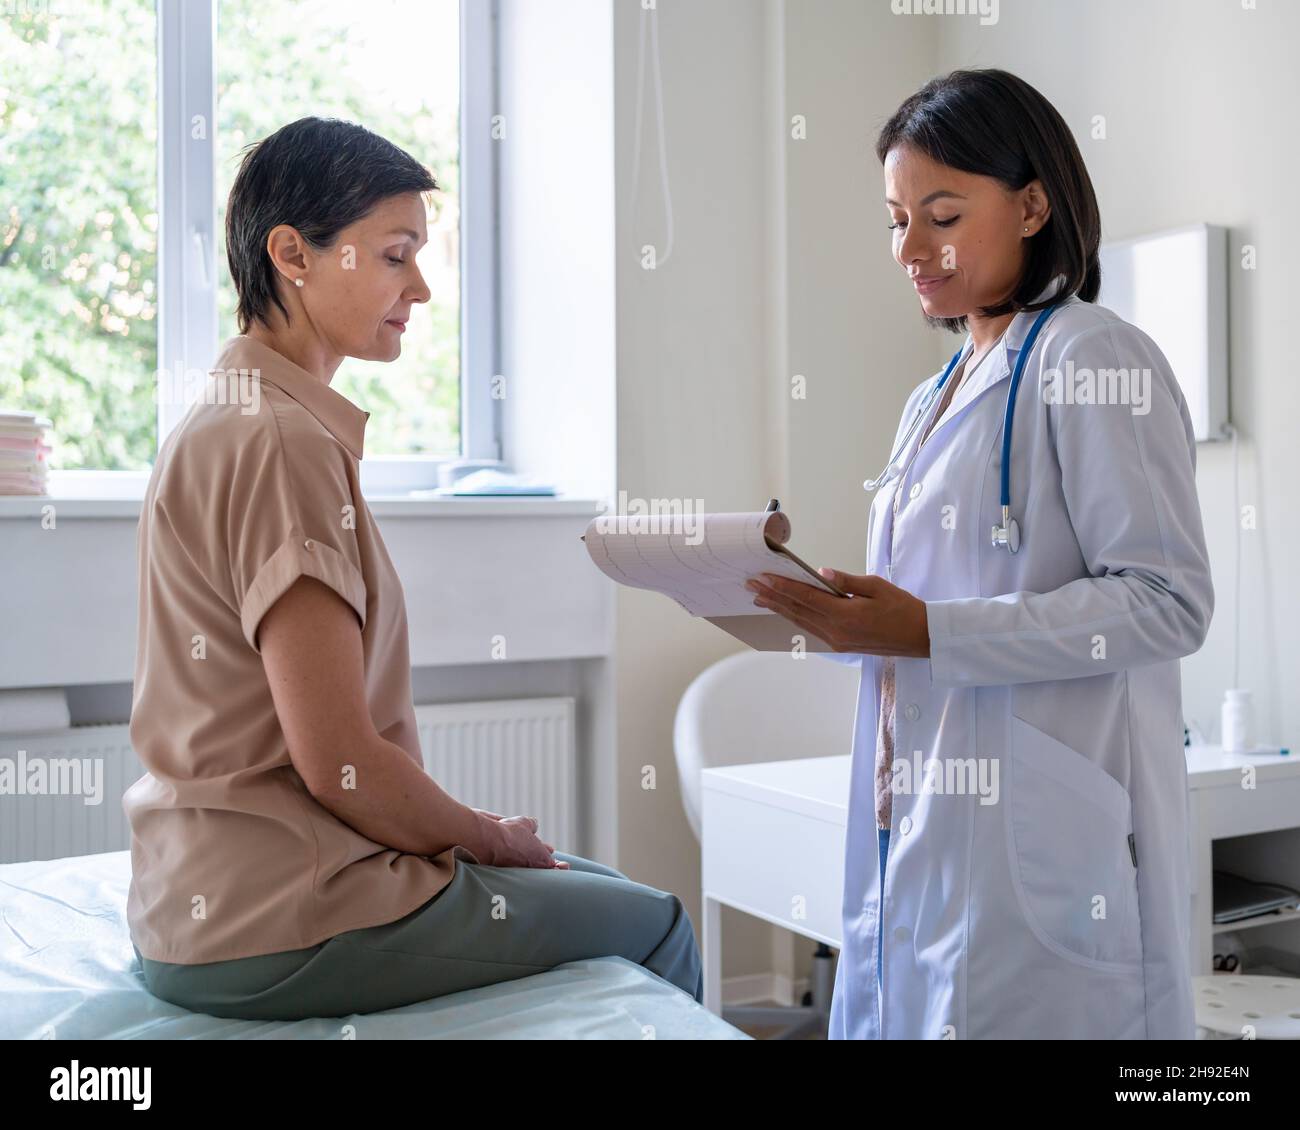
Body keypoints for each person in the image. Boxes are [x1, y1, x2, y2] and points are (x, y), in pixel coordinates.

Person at [123, 117, 701, 1021]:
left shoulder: (232, 414)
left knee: (584, 880)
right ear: (293, 254)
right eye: (395, 255)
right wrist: (482, 836)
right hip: (279, 915)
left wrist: (474, 844)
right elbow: (340, 765)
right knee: (658, 924)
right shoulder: (281, 444)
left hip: (200, 902)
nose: (422, 287)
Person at [744, 69, 1213, 1039]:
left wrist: (929, 630)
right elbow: (934, 608)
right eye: (894, 219)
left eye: (942, 212)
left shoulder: (1093, 357)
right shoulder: (936, 395)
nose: (910, 248)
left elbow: (1167, 601)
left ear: (1033, 202)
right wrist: (850, 616)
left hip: (1041, 835)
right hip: (921, 806)